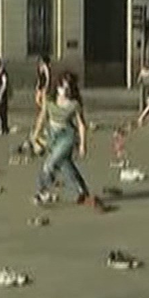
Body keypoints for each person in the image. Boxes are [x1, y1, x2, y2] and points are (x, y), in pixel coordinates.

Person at [32, 72, 103, 210]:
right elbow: (42, 116)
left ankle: (42, 192)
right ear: (56, 87)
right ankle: (82, 191)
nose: (64, 91)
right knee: (66, 164)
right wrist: (36, 134)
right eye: (61, 87)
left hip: (67, 136)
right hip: (53, 135)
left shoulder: (74, 104)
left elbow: (81, 124)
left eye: (67, 88)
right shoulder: (49, 99)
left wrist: (83, 144)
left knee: (50, 163)